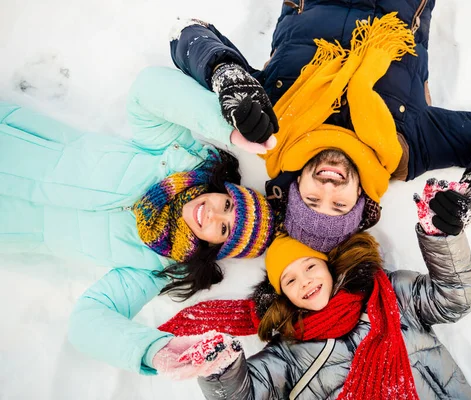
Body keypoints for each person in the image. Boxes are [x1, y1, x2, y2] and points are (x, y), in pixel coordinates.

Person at [168, 2, 471, 252]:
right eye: (338, 206)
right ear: (359, 202)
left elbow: (186, 33)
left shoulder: (271, 121)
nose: (329, 187)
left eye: (312, 199)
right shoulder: (407, 148)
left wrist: (226, 74)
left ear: (295, 185)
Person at [0, 66, 275, 374]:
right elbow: (147, 90)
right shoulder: (174, 159)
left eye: (223, 228)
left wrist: (154, 352)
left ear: (214, 247)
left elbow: (87, 320)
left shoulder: (153, 266)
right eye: (226, 203)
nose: (213, 213)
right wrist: (227, 128)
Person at [155, 181, 471, 398]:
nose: (306, 282)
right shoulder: (289, 350)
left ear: (328, 264)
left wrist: (440, 236)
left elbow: (457, 296)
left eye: (310, 267)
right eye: (290, 281)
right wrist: (220, 369)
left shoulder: (390, 294)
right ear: (283, 296)